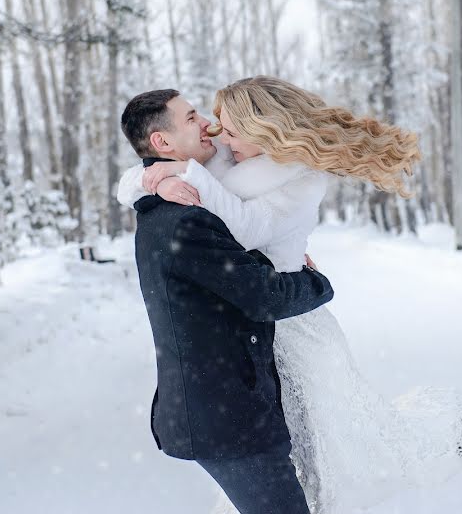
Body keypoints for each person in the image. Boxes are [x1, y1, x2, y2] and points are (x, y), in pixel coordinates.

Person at [118, 77, 462, 513]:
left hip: (291, 319)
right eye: (199, 119)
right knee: (306, 467)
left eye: (230, 129)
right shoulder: (225, 168)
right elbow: (147, 168)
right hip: (262, 326)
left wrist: (182, 171)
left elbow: (246, 229)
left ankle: (441, 440)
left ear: (262, 130)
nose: (217, 133)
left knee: (338, 448)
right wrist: (155, 179)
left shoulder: (297, 178)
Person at [120, 88, 336, 514]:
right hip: (229, 419)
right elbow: (264, 296)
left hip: (233, 407)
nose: (209, 126)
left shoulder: (178, 197)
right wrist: (316, 283)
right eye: (191, 117)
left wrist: (162, 175)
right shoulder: (186, 218)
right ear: (163, 143)